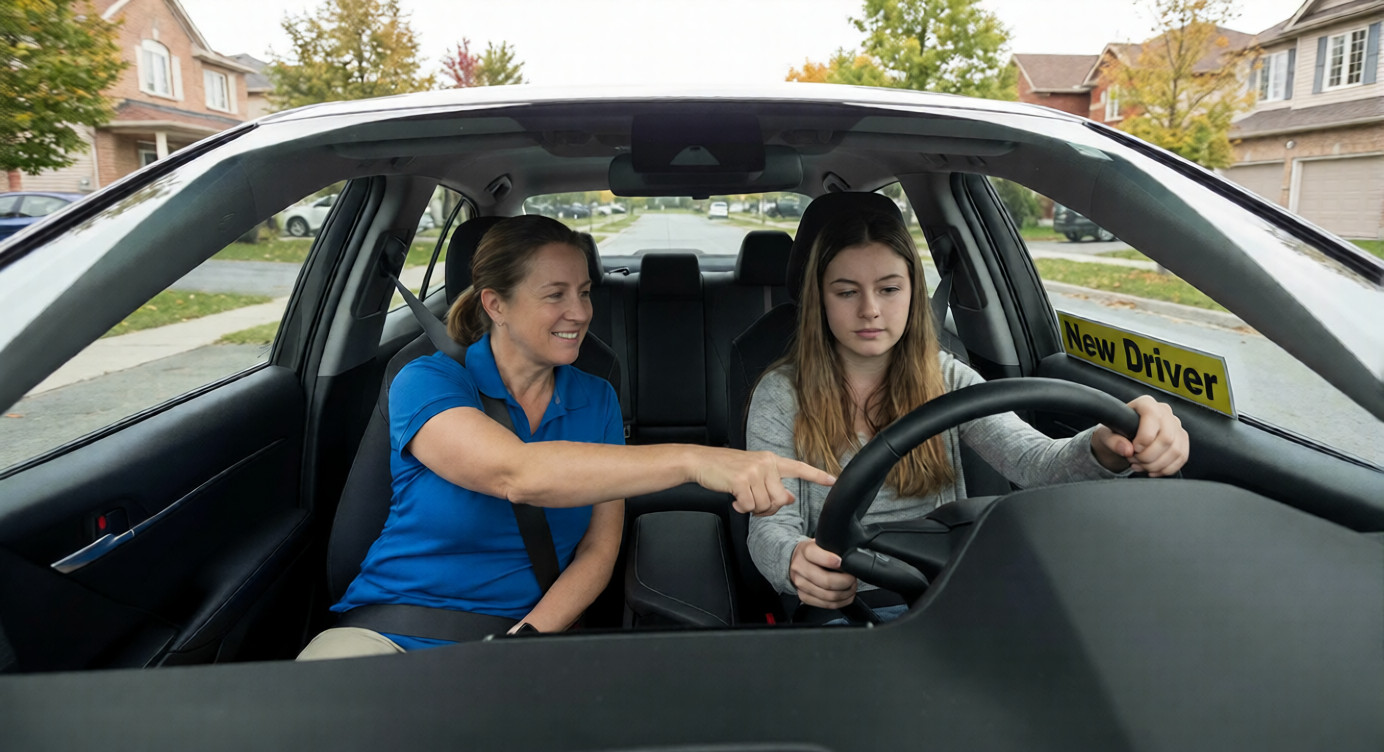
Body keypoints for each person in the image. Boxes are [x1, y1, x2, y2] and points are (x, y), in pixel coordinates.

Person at [299, 215, 835, 659]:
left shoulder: (596, 397)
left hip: (523, 637)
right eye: (555, 295)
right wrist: (697, 461)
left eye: (583, 292)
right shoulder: (428, 379)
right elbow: (517, 475)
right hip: (385, 633)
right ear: (496, 305)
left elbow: (599, 551)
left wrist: (529, 639)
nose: (579, 313)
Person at [746, 211, 1189, 622]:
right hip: (841, 603)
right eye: (846, 292)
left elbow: (1034, 461)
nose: (870, 310)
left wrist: (1104, 447)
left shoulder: (947, 376)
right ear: (820, 299)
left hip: (942, 592)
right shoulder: (782, 393)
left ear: (913, 292)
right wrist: (794, 561)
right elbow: (769, 526)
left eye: (889, 288)